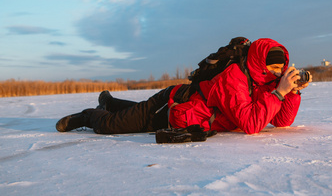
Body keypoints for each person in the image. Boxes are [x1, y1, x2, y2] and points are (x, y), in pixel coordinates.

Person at [56, 38, 312, 139]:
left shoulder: (262, 82)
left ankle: (110, 103)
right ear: (260, 63)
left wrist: (292, 92)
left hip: (185, 114)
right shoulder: (234, 78)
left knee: (136, 117)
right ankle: (90, 115)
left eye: (282, 69)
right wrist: (279, 92)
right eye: (275, 68)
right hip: (171, 106)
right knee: (111, 126)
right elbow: (251, 124)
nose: (278, 74)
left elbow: (280, 120)